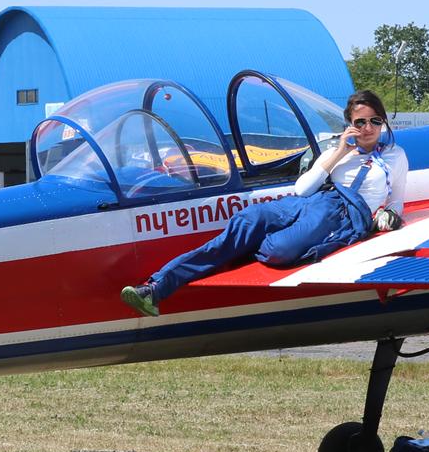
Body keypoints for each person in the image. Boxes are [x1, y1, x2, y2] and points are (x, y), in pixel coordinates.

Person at [121, 89, 408, 317]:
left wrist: (387, 217)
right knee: (246, 220)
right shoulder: (336, 152)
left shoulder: (395, 156)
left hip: (346, 214)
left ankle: (241, 250)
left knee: (278, 251)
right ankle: (155, 287)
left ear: (383, 123)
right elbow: (303, 189)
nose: (368, 128)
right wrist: (340, 152)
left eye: (375, 121)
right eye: (360, 122)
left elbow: (396, 201)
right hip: (314, 200)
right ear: (349, 125)